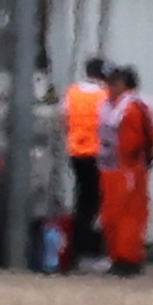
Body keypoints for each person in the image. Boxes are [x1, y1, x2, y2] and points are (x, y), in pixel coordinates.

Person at [102, 62, 153, 275]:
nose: (108, 87)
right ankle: (119, 255)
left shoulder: (132, 108)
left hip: (128, 169)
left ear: (122, 84)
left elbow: (143, 140)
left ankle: (128, 259)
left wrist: (135, 163)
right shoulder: (113, 106)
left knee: (129, 216)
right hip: (112, 168)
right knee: (113, 215)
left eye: (112, 83)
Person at [56, 63, 109, 269]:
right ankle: (92, 249)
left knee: (81, 200)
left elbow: (64, 119)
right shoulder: (103, 95)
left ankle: (77, 249)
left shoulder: (73, 92)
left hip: (75, 152)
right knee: (96, 203)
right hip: (97, 153)